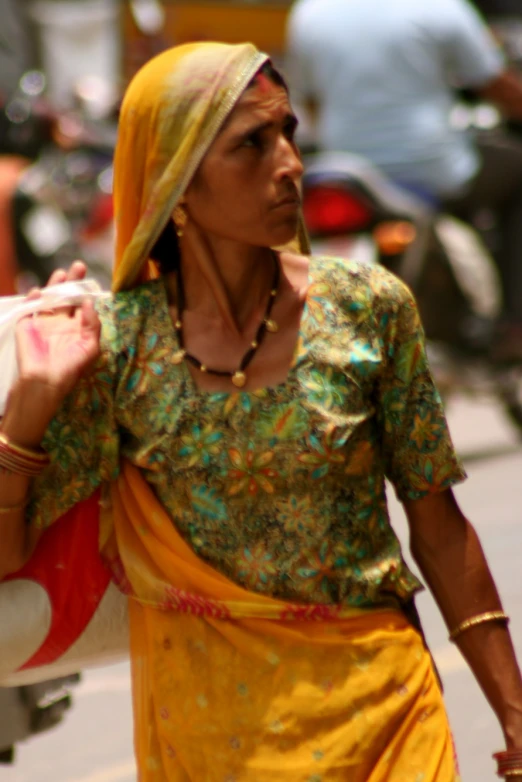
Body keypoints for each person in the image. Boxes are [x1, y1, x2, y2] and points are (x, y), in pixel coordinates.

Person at [0, 42, 522, 781]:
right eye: (252, 144)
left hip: (387, 719)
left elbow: (438, 528)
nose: (290, 166)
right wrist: (27, 413)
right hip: (213, 742)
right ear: (175, 181)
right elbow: (10, 559)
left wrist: (513, 708)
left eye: (289, 135)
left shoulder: (369, 310)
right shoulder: (118, 352)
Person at [286, 0, 522, 360]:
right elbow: (496, 85)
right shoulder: (442, 9)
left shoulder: (309, 11)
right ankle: (514, 323)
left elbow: (310, 98)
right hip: (433, 167)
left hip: (344, 166)